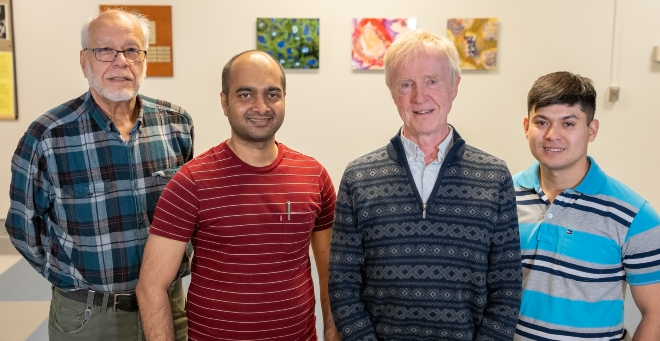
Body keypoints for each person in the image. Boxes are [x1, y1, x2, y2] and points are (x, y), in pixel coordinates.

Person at [4, 9, 193, 341]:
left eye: (132, 50)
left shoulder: (176, 124)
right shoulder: (47, 136)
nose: (120, 61)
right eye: (105, 50)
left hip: (168, 306)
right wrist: (71, 279)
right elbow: (22, 229)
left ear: (145, 60)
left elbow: (190, 213)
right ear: (84, 61)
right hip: (87, 317)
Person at [328, 29, 522, 341]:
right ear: (393, 92)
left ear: (455, 86)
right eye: (406, 84)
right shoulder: (358, 178)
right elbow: (343, 284)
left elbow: (507, 288)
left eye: (432, 80)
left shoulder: (495, 177)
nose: (420, 96)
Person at [136, 50, 340, 341]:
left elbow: (330, 274)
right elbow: (151, 286)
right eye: (245, 94)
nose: (261, 106)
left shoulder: (314, 175)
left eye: (272, 94)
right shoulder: (190, 181)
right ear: (224, 102)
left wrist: (332, 332)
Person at [514, 71, 660, 341]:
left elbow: (656, 312)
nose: (552, 135)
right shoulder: (502, 198)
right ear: (526, 127)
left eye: (568, 124)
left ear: (591, 130)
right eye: (541, 122)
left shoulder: (636, 216)